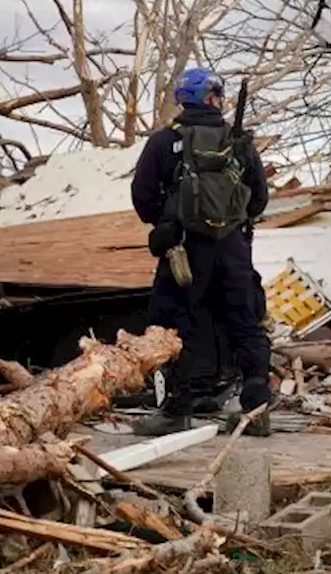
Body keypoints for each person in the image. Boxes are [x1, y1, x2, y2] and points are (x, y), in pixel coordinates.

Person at [130, 67, 273, 436]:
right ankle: (256, 410)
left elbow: (143, 198)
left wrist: (168, 219)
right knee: (245, 322)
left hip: (183, 249)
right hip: (232, 249)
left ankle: (176, 411)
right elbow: (258, 198)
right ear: (212, 98)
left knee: (174, 325)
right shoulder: (238, 142)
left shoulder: (164, 142)